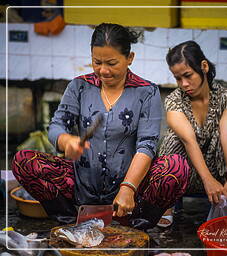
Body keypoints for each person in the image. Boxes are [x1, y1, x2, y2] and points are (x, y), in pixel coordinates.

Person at [12, 23, 190, 230]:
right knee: (23, 161)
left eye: (112, 63)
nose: (103, 70)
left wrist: (128, 187)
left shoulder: (146, 92)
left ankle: (136, 226)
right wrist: (66, 139)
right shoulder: (79, 87)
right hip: (81, 187)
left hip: (130, 194)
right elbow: (57, 126)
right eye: (97, 62)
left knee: (176, 168)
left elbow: (147, 144)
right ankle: (73, 224)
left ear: (129, 58)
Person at [159, 40, 227, 208]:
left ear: (204, 67)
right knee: (172, 139)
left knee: (226, 135)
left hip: (221, 173)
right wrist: (207, 180)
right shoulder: (173, 100)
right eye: (178, 78)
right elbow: (188, 140)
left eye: (188, 75)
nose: (184, 84)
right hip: (187, 175)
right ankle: (166, 204)